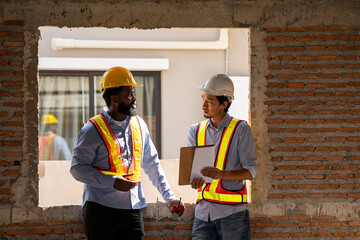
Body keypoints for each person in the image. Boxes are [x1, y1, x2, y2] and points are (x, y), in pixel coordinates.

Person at [70, 66, 184, 240]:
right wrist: (112, 182)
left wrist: (170, 197)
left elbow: (152, 164)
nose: (134, 99)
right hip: (100, 211)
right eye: (129, 94)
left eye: (133, 93)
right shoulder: (92, 129)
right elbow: (77, 168)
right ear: (115, 99)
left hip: (132, 209)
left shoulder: (139, 125)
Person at [188, 74, 257, 240]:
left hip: (232, 215)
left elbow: (251, 171)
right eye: (203, 98)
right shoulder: (195, 131)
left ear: (224, 104)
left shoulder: (241, 129)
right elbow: (192, 171)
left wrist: (221, 175)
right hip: (203, 214)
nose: (204, 104)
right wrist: (193, 180)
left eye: (210, 100)